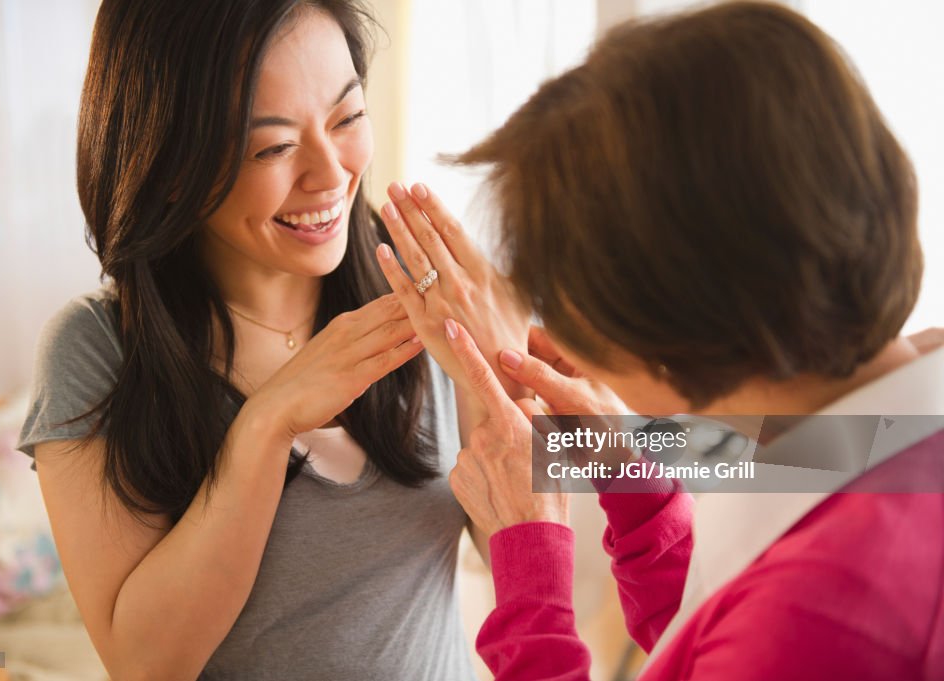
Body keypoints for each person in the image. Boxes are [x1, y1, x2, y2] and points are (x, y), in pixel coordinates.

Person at [377, 2, 943, 679]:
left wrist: (529, 568)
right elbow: (707, 639)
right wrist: (628, 471)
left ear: (664, 315)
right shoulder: (885, 431)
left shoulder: (822, 610)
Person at [17, 1, 530, 679]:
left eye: (347, 118)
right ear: (171, 164)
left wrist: (503, 387)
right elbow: (146, 663)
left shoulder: (422, 291)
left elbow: (525, 574)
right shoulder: (98, 351)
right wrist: (265, 425)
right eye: (273, 146)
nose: (330, 174)